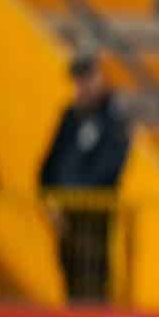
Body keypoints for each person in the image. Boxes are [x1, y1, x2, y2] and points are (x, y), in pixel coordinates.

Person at [40, 51, 131, 302]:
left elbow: (109, 168)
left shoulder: (113, 118)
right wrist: (52, 201)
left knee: (92, 279)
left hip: (93, 215)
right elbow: (49, 163)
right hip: (65, 215)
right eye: (78, 80)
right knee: (70, 277)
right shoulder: (70, 116)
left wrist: (75, 196)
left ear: (100, 77)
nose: (82, 86)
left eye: (87, 78)